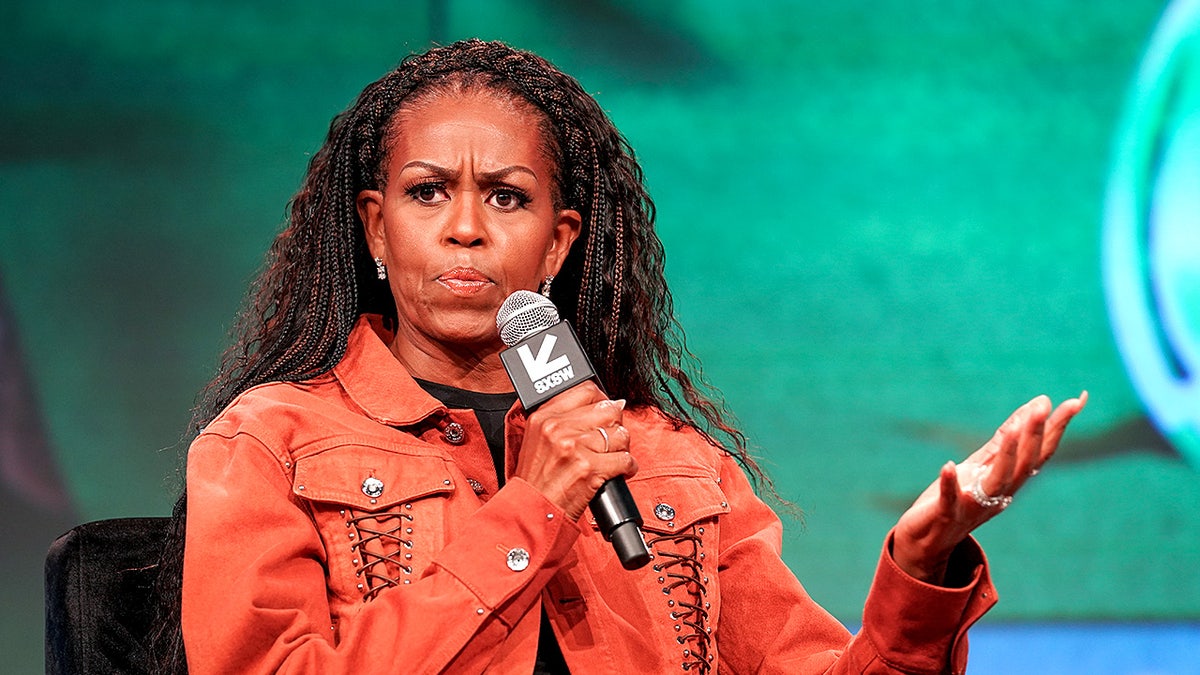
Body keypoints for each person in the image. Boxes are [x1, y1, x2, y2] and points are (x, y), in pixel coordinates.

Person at [162, 39, 1086, 674]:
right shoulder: (269, 444)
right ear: (375, 225)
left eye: (509, 198)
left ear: (559, 246)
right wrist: (532, 510)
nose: (468, 229)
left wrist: (922, 563)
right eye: (429, 190)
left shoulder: (670, 461)